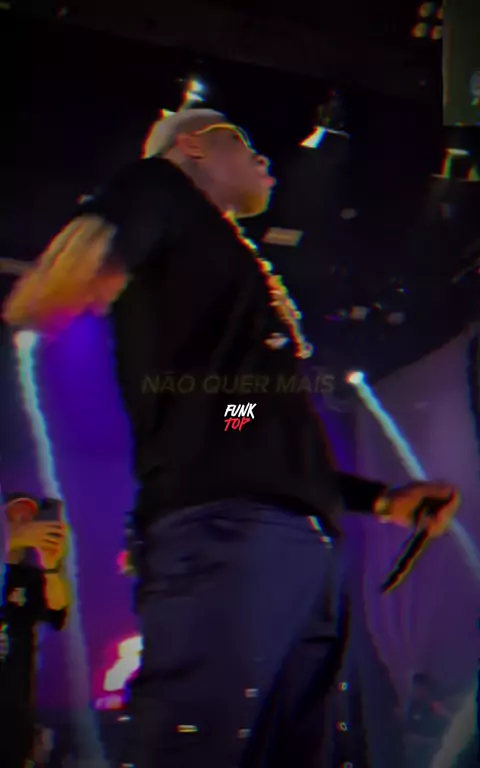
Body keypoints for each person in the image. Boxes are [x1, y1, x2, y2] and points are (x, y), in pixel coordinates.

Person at [2, 107, 461, 767]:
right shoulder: (164, 188)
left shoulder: (235, 281)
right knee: (198, 742)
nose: (266, 160)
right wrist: (76, 273)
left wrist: (382, 500)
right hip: (230, 529)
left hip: (290, 538)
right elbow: (94, 253)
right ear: (194, 146)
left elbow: (251, 427)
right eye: (244, 144)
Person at [0, 494, 69, 768]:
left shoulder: (29, 577)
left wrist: (51, 566)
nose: (24, 521)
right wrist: (11, 541)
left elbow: (57, 612)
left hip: (14, 705)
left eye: (29, 517)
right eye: (15, 515)